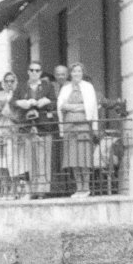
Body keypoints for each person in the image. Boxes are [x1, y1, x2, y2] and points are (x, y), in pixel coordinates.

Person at [13, 61, 57, 198]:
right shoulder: (21, 87)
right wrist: (23, 103)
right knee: (30, 161)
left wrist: (45, 102)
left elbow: (55, 102)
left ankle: (42, 191)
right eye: (31, 70)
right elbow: (13, 103)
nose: (34, 73)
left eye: (37, 70)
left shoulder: (48, 86)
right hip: (28, 127)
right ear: (28, 72)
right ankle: (32, 190)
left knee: (44, 160)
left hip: (43, 127)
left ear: (41, 72)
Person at [57, 61, 99, 197]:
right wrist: (78, 107)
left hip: (83, 126)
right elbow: (61, 106)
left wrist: (72, 107)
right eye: (74, 71)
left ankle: (86, 188)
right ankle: (79, 188)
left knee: (84, 158)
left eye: (79, 71)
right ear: (71, 73)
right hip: (69, 126)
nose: (76, 74)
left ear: (83, 73)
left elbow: (91, 107)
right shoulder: (66, 88)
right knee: (73, 159)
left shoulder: (88, 87)